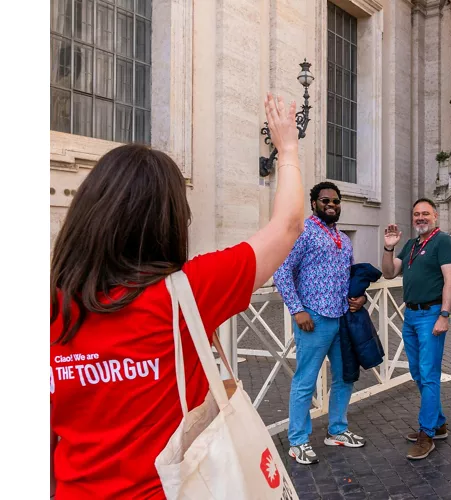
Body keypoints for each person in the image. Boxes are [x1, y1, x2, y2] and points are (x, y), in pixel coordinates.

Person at [50, 95, 305, 499]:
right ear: (168, 223)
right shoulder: (187, 291)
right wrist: (288, 148)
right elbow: (287, 226)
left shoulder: (52, 306)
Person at [273, 181, 368, 465]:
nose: (331, 204)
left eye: (336, 201)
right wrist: (297, 310)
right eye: (325, 200)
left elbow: (349, 276)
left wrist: (359, 297)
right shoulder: (303, 232)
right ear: (314, 203)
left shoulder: (344, 238)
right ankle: (298, 441)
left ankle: (337, 430)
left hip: (342, 319)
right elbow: (281, 270)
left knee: (345, 376)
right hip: (313, 320)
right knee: (305, 382)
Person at [382, 199, 451, 460]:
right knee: (417, 372)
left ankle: (427, 434)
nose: (420, 218)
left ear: (435, 216)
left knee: (428, 374)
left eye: (425, 213)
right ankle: (438, 423)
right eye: (416, 214)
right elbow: (390, 272)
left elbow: (450, 280)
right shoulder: (412, 245)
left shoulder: (443, 242)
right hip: (411, 315)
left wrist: (444, 315)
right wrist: (388, 248)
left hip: (431, 315)